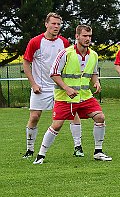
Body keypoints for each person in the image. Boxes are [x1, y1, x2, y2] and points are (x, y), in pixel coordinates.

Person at [33, 24, 112, 164]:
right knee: (56, 125)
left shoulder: (93, 55)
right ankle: (41, 155)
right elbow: (53, 73)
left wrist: (96, 82)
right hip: (65, 98)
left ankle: (98, 152)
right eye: (85, 36)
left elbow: (93, 73)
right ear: (77, 36)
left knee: (100, 117)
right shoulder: (65, 53)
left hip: (85, 96)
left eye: (90, 36)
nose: (88, 39)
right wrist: (67, 88)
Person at [22, 12, 83, 159]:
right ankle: (30, 150)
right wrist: (33, 84)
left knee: (73, 114)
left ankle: (78, 147)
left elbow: (69, 62)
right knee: (35, 117)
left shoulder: (64, 42)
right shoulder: (35, 42)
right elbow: (26, 62)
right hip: (41, 88)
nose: (56, 26)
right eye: (53, 23)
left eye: (58, 24)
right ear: (46, 24)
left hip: (60, 87)